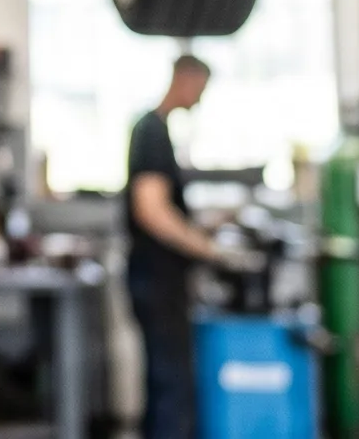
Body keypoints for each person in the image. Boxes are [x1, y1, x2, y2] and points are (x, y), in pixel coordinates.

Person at [125, 55, 230, 439]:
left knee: (164, 384)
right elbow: (151, 210)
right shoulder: (151, 130)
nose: (200, 98)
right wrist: (207, 248)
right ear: (185, 79)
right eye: (201, 87)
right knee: (172, 387)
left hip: (158, 281)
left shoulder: (157, 130)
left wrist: (207, 223)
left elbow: (164, 207)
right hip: (157, 282)